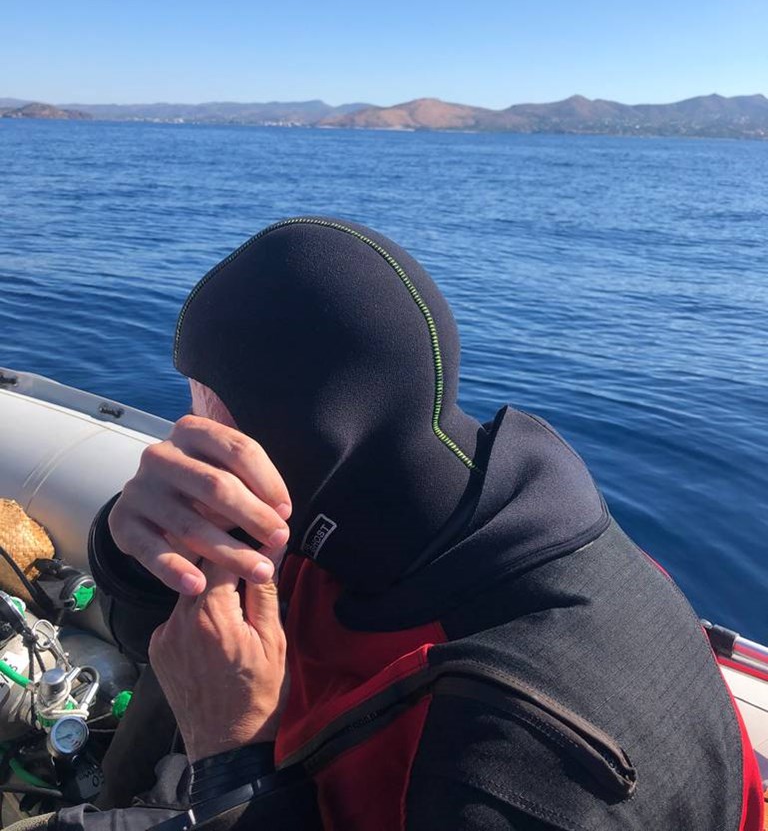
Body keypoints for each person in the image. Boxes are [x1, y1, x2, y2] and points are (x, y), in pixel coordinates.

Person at [70, 217, 762, 829]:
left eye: (202, 399)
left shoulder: (514, 762)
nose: (187, 426)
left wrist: (233, 757)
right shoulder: (393, 520)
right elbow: (157, 643)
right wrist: (134, 550)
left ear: (293, 432)